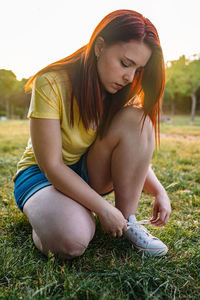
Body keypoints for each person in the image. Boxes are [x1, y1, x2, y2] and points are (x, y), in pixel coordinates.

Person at [13, 9, 171, 259]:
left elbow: (131, 150)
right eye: (125, 63)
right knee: (71, 241)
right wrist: (101, 208)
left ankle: (128, 223)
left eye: (137, 70)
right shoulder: (51, 82)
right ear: (99, 46)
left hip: (87, 171)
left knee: (138, 118)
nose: (129, 77)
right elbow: (52, 166)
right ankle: (47, 221)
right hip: (40, 175)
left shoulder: (121, 92)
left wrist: (159, 191)